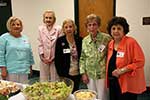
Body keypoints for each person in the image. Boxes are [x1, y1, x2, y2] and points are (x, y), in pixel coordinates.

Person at [106, 16, 146, 100]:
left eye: (119, 28)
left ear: (124, 30)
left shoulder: (131, 42)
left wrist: (122, 70)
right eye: (113, 28)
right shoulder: (111, 43)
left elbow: (140, 62)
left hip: (127, 82)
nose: (116, 31)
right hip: (113, 81)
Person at [79, 14, 111, 100]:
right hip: (90, 74)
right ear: (87, 26)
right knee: (92, 96)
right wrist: (83, 73)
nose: (92, 27)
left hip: (102, 74)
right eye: (89, 25)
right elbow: (82, 57)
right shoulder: (85, 40)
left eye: (94, 24)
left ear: (98, 25)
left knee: (103, 96)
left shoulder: (106, 38)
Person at [0, 16, 34, 83]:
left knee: (24, 89)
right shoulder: (4, 38)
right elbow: (0, 54)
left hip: (24, 70)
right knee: (12, 90)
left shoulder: (25, 38)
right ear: (9, 26)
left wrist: (30, 67)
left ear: (21, 26)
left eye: (18, 24)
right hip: (11, 71)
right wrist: (3, 69)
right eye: (13, 24)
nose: (16, 26)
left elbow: (30, 54)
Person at [55, 19, 82, 92]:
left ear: (74, 28)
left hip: (77, 72)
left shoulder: (80, 40)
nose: (68, 29)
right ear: (63, 29)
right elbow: (57, 59)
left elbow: (82, 57)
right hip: (65, 73)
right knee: (66, 92)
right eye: (66, 27)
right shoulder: (60, 41)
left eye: (70, 26)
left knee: (76, 90)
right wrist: (60, 74)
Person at [38, 10, 62, 82]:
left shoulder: (59, 29)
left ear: (54, 19)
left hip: (55, 59)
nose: (48, 20)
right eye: (46, 18)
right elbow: (40, 43)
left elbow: (59, 45)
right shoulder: (40, 29)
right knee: (44, 79)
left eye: (50, 18)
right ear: (44, 19)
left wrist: (53, 58)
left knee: (55, 80)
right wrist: (42, 57)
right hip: (44, 59)